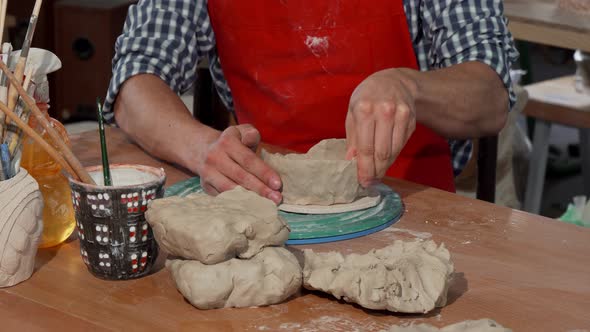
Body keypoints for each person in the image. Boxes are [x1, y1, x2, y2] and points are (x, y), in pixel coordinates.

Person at [105, 0, 518, 204]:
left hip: (413, 206)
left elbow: (491, 95)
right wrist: (202, 148)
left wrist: (409, 87)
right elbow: (134, 84)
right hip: (273, 207)